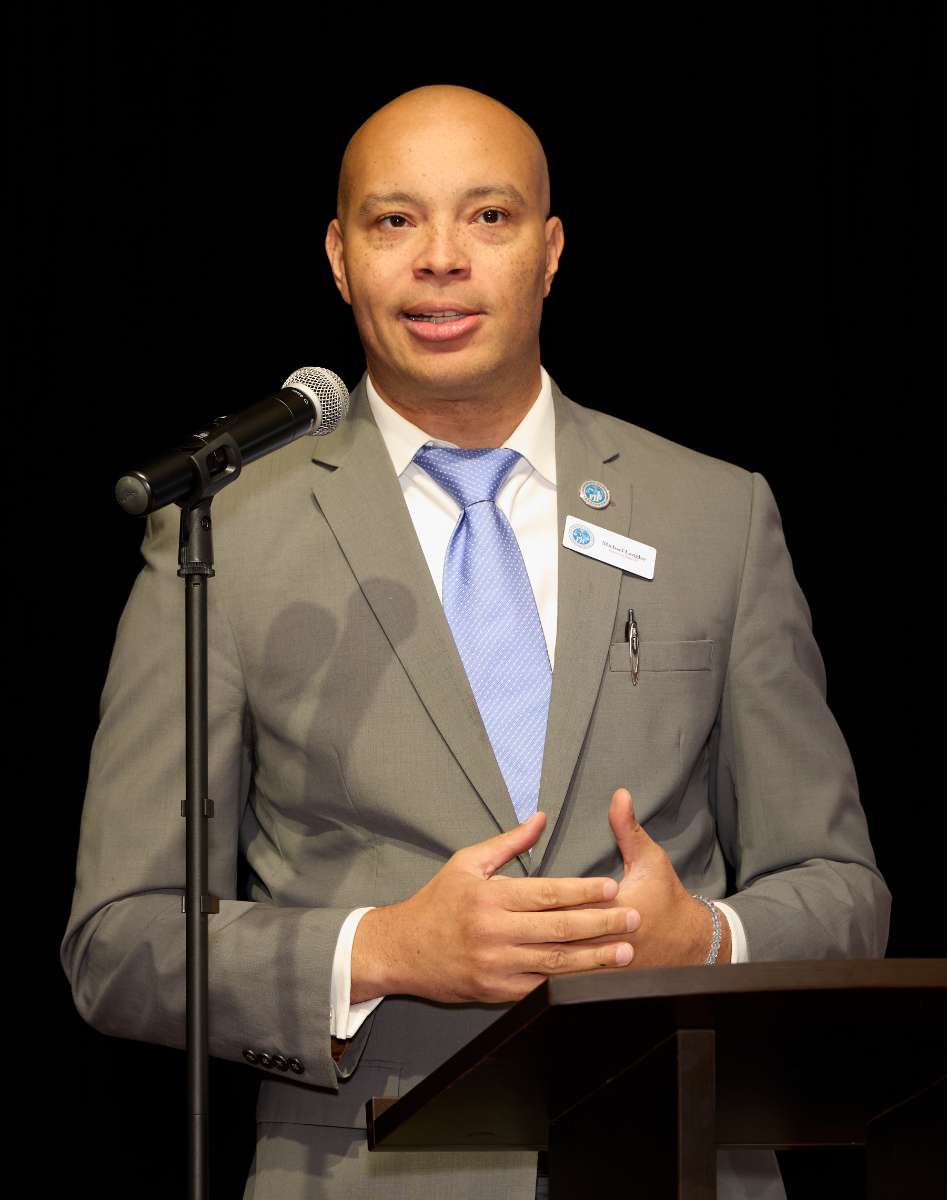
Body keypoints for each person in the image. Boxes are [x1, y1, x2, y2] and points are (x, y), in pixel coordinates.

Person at [61, 84, 890, 1200]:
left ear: (550, 251)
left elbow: (839, 889)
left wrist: (704, 940)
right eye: (394, 220)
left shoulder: (714, 516)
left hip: (679, 1158)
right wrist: (383, 951)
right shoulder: (220, 536)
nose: (441, 258)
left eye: (488, 216)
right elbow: (119, 941)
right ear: (340, 258)